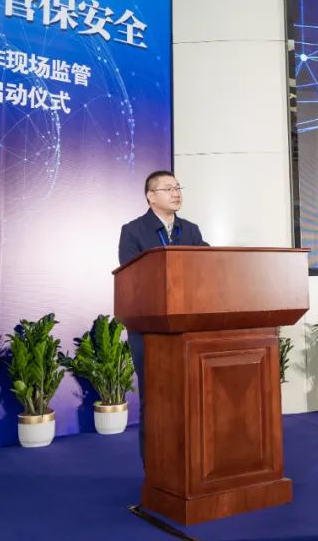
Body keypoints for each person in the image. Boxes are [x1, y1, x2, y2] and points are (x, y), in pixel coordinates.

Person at [117, 170, 207, 465]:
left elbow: (207, 268)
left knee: (189, 396)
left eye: (178, 187)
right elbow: (132, 277)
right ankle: (156, 468)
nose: (176, 193)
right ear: (151, 196)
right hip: (149, 329)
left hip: (187, 326)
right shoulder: (133, 231)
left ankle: (189, 463)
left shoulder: (190, 230)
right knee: (155, 399)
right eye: (168, 188)